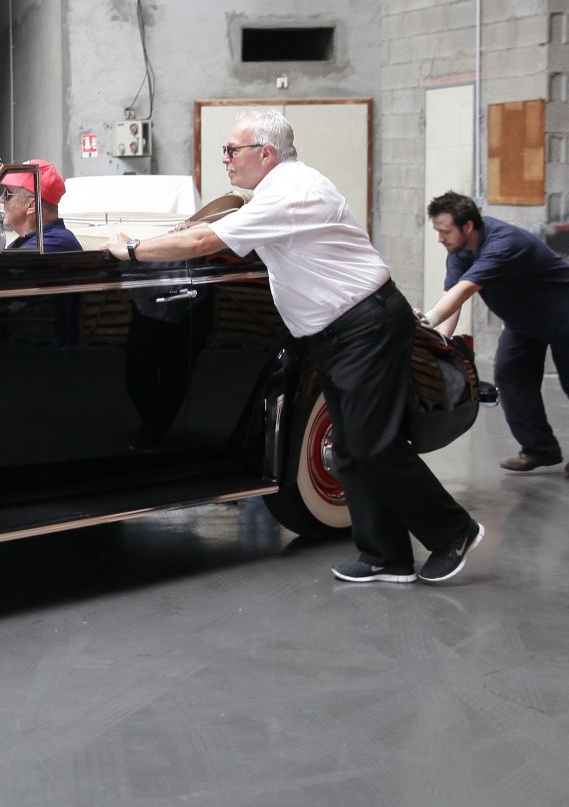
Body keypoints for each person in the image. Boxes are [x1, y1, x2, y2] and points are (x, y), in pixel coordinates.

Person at [104, 110, 484, 584]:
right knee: (350, 447)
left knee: (373, 444)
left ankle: (454, 532)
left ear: (265, 153)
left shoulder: (291, 192)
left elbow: (203, 241)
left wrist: (133, 249)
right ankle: (386, 556)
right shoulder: (276, 192)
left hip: (364, 327)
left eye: (231, 150)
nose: (225, 159)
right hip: (336, 332)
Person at [422, 192, 569, 477]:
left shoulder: (503, 243)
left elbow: (465, 290)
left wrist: (427, 319)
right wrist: (439, 342)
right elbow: (452, 294)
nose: (440, 239)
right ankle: (539, 448)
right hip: (525, 316)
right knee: (510, 375)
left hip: (567, 310)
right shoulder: (459, 250)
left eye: (444, 232)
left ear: (467, 226)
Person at [0, 159, 81, 252]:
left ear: (32, 205)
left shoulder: (54, 243)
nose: (1, 199)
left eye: (7, 193)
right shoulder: (34, 240)